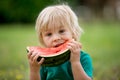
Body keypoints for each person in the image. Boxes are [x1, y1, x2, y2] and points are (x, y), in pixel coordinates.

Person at [27, 4, 93, 80]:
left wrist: (75, 62)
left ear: (73, 32)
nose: (56, 38)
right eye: (49, 34)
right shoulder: (44, 62)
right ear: (42, 38)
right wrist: (34, 70)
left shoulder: (83, 58)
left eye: (61, 31)